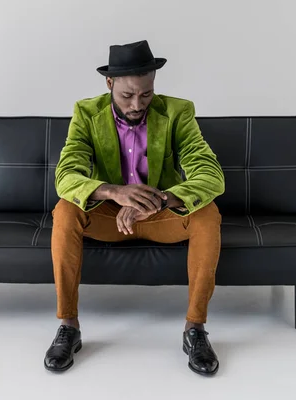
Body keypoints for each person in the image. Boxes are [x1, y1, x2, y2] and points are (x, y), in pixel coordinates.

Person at [43, 40, 225, 376]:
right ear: (109, 84)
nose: (138, 103)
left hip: (159, 216)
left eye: (146, 93)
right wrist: (115, 193)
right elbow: (66, 175)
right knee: (65, 210)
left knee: (207, 214)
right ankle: (69, 326)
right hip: (109, 216)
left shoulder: (178, 112)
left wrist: (159, 200)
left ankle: (195, 329)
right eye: (127, 95)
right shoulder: (86, 113)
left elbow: (210, 174)